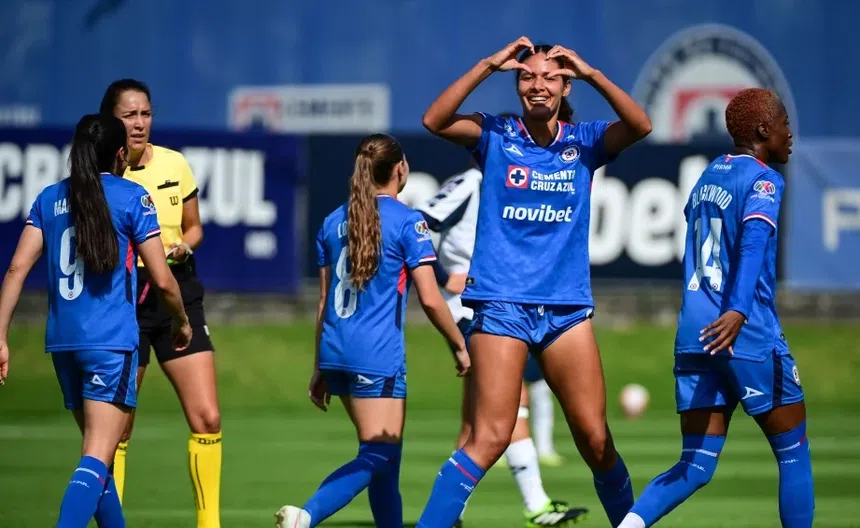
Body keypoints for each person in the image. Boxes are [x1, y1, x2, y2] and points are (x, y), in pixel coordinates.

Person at [415, 38, 652, 528]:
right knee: (489, 437)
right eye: (526, 76)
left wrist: (592, 73)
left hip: (565, 311)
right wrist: (489, 64)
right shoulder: (495, 134)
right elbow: (434, 120)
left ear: (566, 86)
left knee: (596, 441)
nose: (537, 85)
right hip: (501, 305)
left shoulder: (585, 140)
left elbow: (640, 125)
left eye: (549, 77)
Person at [617, 89, 812, 528]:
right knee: (793, 451)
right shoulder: (764, 180)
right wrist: (739, 310)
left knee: (696, 465)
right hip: (744, 331)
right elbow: (752, 244)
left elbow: (696, 224)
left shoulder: (709, 175)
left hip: (695, 333)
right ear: (763, 129)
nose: (789, 133)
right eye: (784, 123)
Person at [0, 114, 191, 527]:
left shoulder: (49, 198)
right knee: (96, 458)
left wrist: (1, 337)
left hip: (63, 345)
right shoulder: (132, 196)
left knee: (98, 461)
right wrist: (182, 320)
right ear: (121, 154)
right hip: (109, 343)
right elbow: (163, 279)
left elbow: (15, 270)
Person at [275, 134, 470, 528]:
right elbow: (432, 300)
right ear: (401, 169)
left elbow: (324, 301)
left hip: (335, 351)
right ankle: (306, 516)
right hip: (376, 356)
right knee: (379, 454)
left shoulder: (333, 221)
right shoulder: (408, 222)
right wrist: (459, 345)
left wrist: (319, 367)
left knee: (384, 461)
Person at [417, 151, 588, 527]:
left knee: (474, 421)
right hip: (468, 308)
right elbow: (419, 221)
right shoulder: (473, 182)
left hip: (492, 305)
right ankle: (536, 505)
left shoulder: (506, 183)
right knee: (511, 398)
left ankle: (452, 513)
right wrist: (443, 275)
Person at [99, 78, 222, 528]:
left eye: (145, 114)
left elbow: (194, 227)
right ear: (111, 120)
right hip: (123, 297)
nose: (139, 123)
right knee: (119, 428)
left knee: (207, 417)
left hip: (177, 292)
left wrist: (184, 246)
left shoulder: (174, 163)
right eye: (129, 115)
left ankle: (210, 524)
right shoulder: (103, 176)